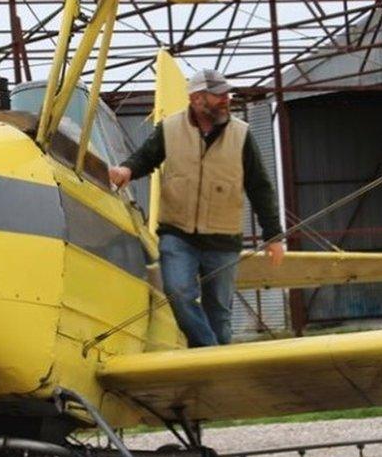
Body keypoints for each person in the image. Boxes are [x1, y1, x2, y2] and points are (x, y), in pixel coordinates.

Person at [109, 69, 284, 348]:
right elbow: (146, 157)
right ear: (196, 98)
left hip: (223, 240)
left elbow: (260, 187)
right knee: (178, 292)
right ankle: (214, 357)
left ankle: (213, 375)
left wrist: (273, 236)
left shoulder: (242, 135)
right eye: (218, 95)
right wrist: (126, 170)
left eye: (226, 93)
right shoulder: (170, 128)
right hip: (178, 235)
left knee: (220, 317)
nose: (226, 99)